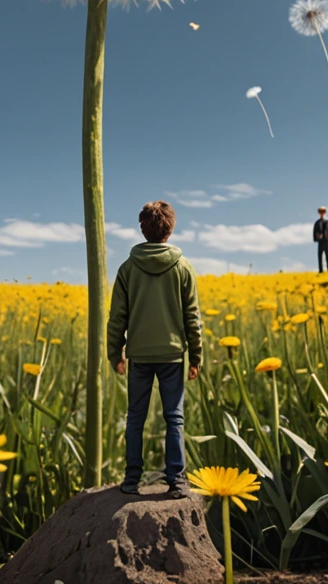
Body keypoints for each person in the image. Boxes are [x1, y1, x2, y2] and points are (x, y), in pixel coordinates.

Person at [107, 200, 202, 498]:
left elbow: (117, 317)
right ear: (171, 229)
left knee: (135, 417)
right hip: (173, 355)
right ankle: (177, 481)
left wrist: (115, 354)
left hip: (139, 356)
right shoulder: (183, 267)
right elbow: (192, 318)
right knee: (174, 417)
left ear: (142, 229)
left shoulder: (127, 268)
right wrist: (196, 356)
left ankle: (131, 480)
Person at [314, 206, 328, 272]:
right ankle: (320, 270)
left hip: (326, 241)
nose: (322, 213)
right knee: (320, 256)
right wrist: (317, 237)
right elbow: (315, 231)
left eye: (323, 212)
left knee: (327, 256)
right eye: (320, 212)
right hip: (320, 242)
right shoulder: (317, 223)